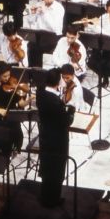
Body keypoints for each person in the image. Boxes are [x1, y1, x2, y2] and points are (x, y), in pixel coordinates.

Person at [36, 67, 75, 208]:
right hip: (57, 139)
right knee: (57, 169)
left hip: (45, 135)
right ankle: (53, 200)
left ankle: (45, 196)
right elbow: (66, 121)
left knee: (46, 167)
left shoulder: (40, 92)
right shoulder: (54, 101)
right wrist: (71, 110)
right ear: (57, 82)